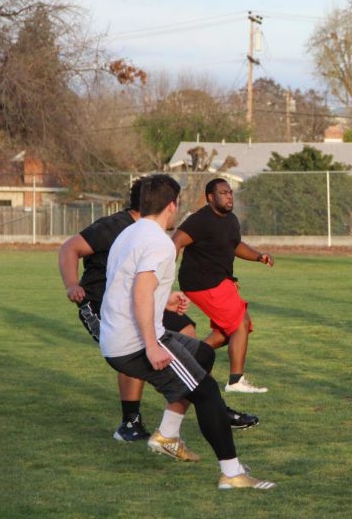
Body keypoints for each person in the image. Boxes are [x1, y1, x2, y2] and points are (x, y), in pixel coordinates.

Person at [101, 174, 275, 490]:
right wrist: (152, 345)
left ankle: (168, 434)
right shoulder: (158, 243)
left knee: (203, 353)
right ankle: (233, 473)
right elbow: (140, 289)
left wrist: (165, 298)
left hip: (118, 338)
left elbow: (125, 284)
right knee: (207, 392)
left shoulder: (130, 234)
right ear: (173, 205)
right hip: (136, 343)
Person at [58, 178, 258, 442]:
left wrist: (165, 299)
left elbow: (143, 285)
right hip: (101, 304)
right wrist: (72, 284)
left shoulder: (150, 231)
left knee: (187, 330)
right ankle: (130, 422)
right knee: (132, 345)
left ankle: (205, 398)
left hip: (140, 301)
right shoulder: (116, 227)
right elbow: (70, 247)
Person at [172, 178, 272, 394]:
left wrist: (258, 256)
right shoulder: (200, 220)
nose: (229, 196)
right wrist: (163, 274)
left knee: (234, 329)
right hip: (202, 282)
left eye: (230, 193)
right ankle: (235, 381)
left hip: (221, 280)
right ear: (210, 197)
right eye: (223, 193)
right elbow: (177, 240)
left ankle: (189, 358)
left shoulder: (231, 220)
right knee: (239, 325)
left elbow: (235, 245)